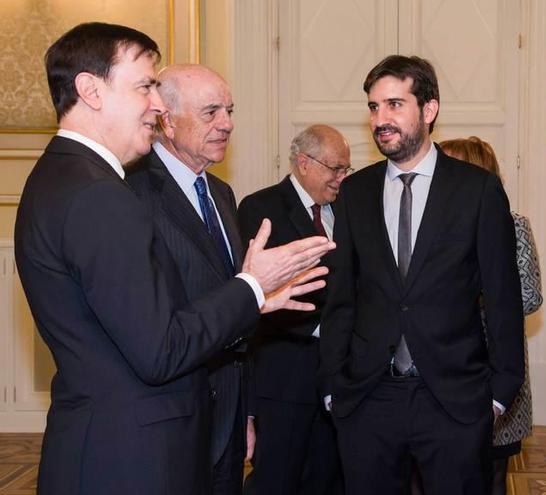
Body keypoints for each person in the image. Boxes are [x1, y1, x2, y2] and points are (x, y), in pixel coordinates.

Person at [14, 22, 333, 495]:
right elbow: (161, 350)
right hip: (130, 458)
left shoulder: (62, 176)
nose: (157, 104)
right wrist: (252, 286)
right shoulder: (100, 194)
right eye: (144, 86)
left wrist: (255, 302)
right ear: (90, 89)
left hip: (113, 443)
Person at [319, 55, 525, 495]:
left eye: (394, 104)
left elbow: (504, 297)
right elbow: (342, 297)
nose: (381, 120)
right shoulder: (355, 191)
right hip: (369, 398)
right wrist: (334, 387)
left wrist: (498, 394)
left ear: (428, 110)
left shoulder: (476, 189)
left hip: (453, 399)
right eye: (374, 108)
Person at [125, 63, 251, 494]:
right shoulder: (132, 192)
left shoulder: (221, 193)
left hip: (228, 408)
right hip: (173, 409)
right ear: (167, 121)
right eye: (212, 112)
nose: (227, 124)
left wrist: (245, 414)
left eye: (230, 111)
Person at [239, 124, 350, 495]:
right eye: (335, 168)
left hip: (338, 379)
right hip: (284, 379)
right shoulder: (261, 208)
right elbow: (256, 297)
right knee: (277, 481)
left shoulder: (347, 209)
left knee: (330, 479)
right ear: (304, 163)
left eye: (345, 169)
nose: (341, 178)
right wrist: (326, 327)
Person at [439, 137, 543, 495]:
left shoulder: (513, 226)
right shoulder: (429, 227)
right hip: (440, 373)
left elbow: (528, 298)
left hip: (496, 371)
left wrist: (469, 296)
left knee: (492, 476)